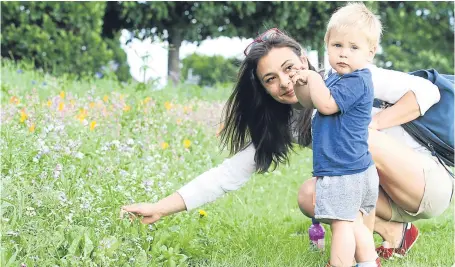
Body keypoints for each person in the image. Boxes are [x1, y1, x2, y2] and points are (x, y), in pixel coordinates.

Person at [121, 15, 452, 266]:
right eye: (270, 79)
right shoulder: (289, 122)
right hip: (379, 191)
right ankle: (395, 234)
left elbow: (427, 91)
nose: (285, 82)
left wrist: (375, 125)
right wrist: (160, 208)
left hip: (427, 180)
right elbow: (227, 174)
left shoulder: (349, 75)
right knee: (312, 194)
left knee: (359, 139)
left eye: (289, 67)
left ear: (304, 61)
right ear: (263, 89)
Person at [289, 3, 381, 266]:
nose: (344, 54)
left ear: (370, 53)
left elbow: (327, 105)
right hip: (354, 168)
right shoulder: (336, 78)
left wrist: (314, 79)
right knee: (353, 224)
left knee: (341, 225)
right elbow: (310, 103)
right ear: (327, 44)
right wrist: (302, 83)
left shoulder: (358, 80)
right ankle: (368, 262)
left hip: (345, 171)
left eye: (354, 48)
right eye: (337, 45)